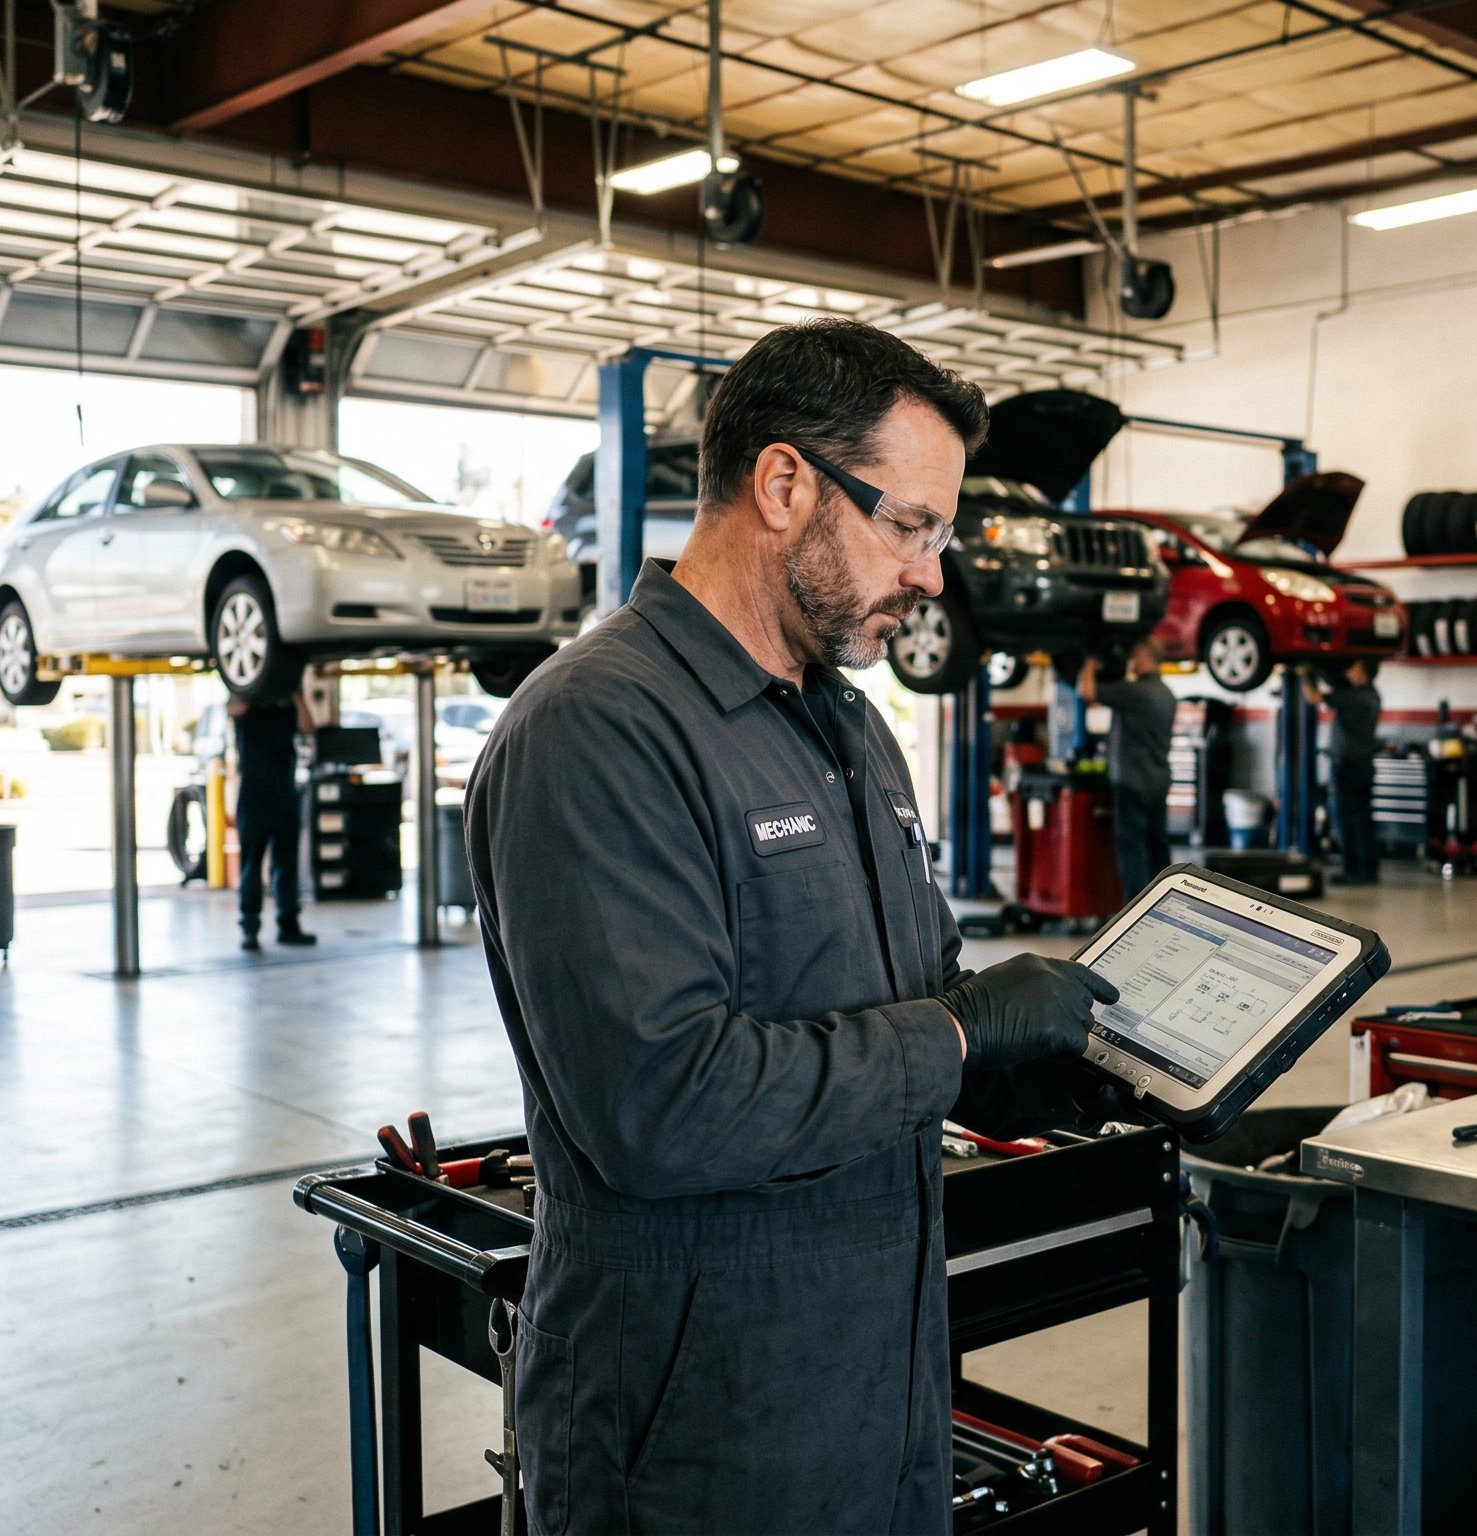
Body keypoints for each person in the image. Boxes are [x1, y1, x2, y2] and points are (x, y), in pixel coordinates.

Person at [467, 318, 1120, 1534]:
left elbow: (909, 1001)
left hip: (880, 1396)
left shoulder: (848, 730)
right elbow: (663, 1104)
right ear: (783, 484)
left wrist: (1033, 1078)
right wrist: (964, 1042)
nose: (932, 576)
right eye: (910, 526)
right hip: (689, 1440)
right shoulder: (597, 732)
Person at [1078, 638, 1177, 899]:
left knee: (1132, 849)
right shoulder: (1167, 694)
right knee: (1158, 846)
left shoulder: (1135, 692)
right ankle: (1165, 904)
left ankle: (1135, 911)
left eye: (1134, 655)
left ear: (1144, 657)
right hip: (1158, 780)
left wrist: (1089, 662)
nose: (1131, 661)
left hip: (1133, 781)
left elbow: (1086, 691)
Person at [230, 688, 316, 950]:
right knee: (251, 866)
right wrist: (256, 688)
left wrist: (297, 696)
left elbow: (308, 728)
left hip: (284, 793)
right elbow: (234, 708)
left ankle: (289, 926)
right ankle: (250, 929)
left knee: (286, 866)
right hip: (253, 796)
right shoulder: (244, 700)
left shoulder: (287, 704)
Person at [1308, 657, 1383, 885]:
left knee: (1345, 820)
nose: (1350, 672)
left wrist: (1304, 673)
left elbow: (1313, 697)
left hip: (1347, 765)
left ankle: (1352, 872)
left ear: (1364, 673)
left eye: (1355, 668)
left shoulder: (1353, 696)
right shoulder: (1372, 695)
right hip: (1363, 764)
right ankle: (1368, 870)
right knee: (1363, 819)